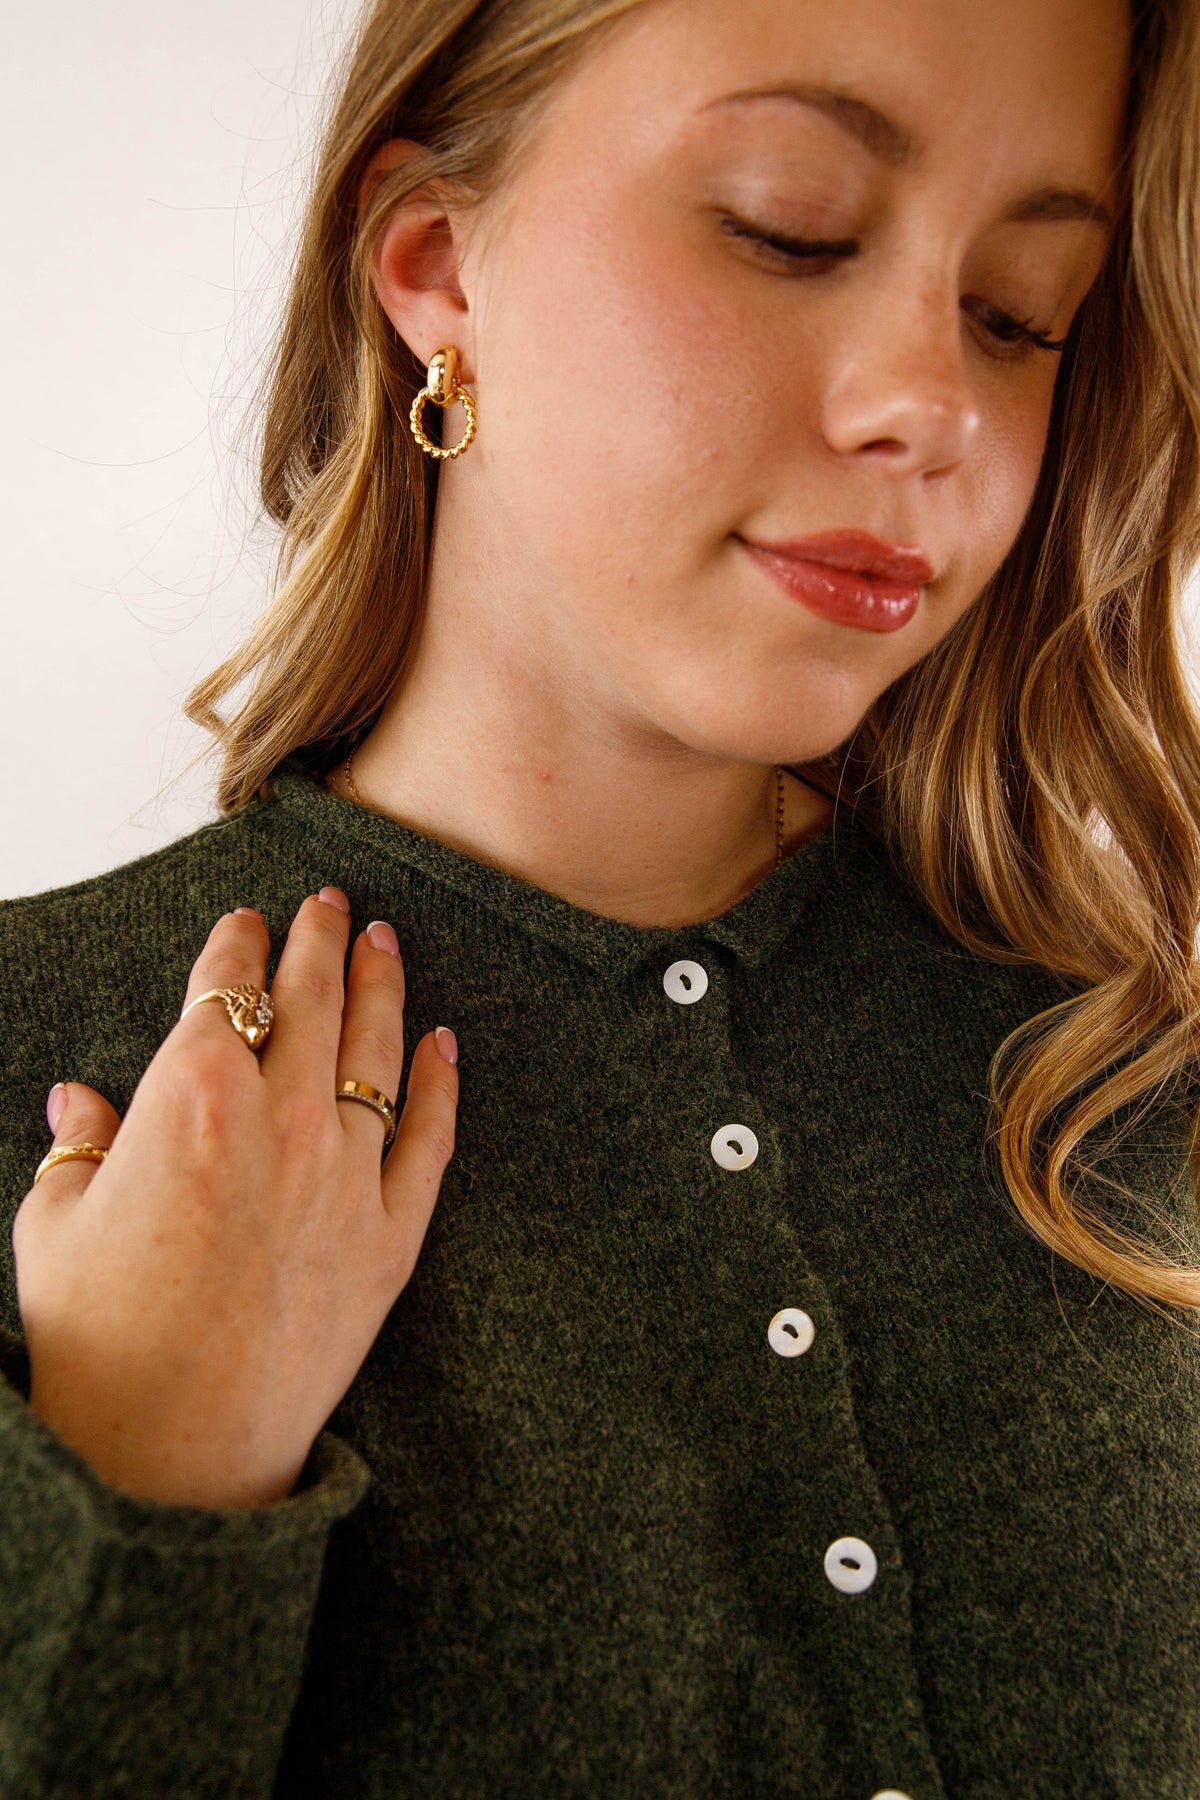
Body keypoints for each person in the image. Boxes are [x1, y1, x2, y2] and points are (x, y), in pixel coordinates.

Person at [2, 0, 1199, 1792]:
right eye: (790, 227)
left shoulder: (1123, 1079)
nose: (935, 406)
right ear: (436, 264)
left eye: (1019, 313)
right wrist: (140, 1478)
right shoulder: (36, 1058)